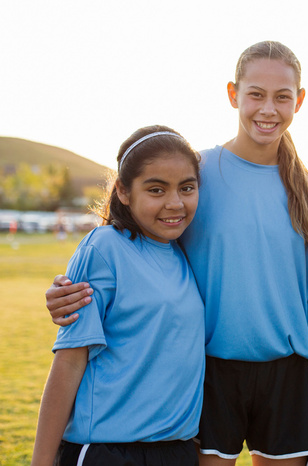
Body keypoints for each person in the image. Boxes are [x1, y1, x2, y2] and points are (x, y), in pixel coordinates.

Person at [44, 41, 308, 466]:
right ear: (233, 94)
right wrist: (67, 292)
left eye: (282, 96)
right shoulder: (199, 172)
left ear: (299, 101)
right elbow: (138, 241)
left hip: (286, 371)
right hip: (209, 369)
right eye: (255, 94)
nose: (268, 108)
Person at [32, 126, 205, 466]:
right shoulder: (104, 248)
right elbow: (69, 362)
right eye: (156, 189)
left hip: (177, 451)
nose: (175, 203)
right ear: (124, 192)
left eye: (187, 188)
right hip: (110, 451)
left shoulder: (185, 251)